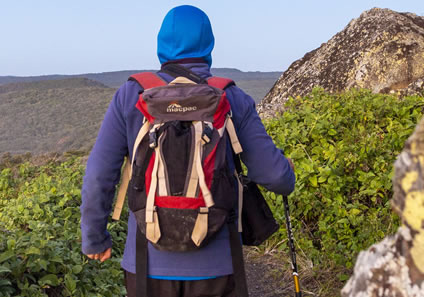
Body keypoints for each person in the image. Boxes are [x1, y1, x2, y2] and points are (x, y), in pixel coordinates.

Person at [80, 5, 295, 297]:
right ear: (208, 44)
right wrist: (287, 170)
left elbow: (98, 174)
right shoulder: (230, 96)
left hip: (146, 264)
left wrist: (95, 239)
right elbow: (275, 176)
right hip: (218, 265)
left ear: (161, 45)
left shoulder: (131, 95)